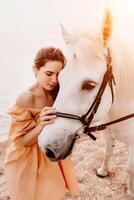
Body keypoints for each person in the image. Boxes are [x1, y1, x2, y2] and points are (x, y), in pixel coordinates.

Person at [4, 47, 79, 200]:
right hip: (27, 158)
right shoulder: (26, 98)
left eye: (59, 75)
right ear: (35, 70)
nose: (54, 80)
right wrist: (41, 124)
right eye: (49, 73)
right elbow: (22, 142)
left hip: (51, 152)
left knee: (56, 193)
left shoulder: (60, 93)